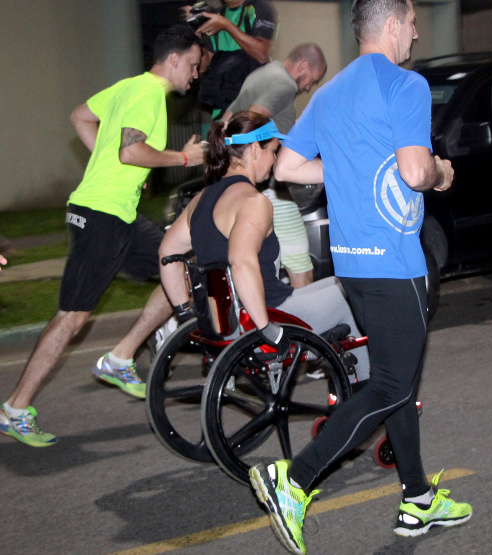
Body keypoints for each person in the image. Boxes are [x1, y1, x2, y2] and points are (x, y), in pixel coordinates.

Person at [249, 0, 472, 551]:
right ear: (393, 24)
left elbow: (287, 169)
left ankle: (418, 499)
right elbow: (417, 170)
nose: (417, 34)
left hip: (351, 264)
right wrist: (443, 172)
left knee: (397, 381)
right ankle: (294, 480)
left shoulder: (328, 93)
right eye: (414, 22)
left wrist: (348, 166)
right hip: (397, 264)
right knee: (394, 382)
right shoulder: (406, 86)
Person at [0, 26, 206, 447]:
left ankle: (120, 357)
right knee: (72, 317)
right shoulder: (150, 95)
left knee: (180, 269)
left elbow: (79, 116)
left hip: (119, 216)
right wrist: (183, 156)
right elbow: (131, 150)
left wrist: (114, 170)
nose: (195, 74)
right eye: (193, 64)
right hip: (100, 217)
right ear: (173, 59)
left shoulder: (127, 86)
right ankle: (15, 409)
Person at [158, 111, 370, 385]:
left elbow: (167, 253)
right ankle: (368, 392)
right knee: (354, 296)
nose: (274, 160)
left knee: (337, 284)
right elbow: (241, 261)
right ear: (255, 149)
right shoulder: (252, 201)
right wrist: (266, 328)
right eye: (273, 151)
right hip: (265, 316)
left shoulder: (201, 200)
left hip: (226, 321)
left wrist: (185, 313)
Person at [223, 43, 328, 288]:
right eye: (311, 80)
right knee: (300, 266)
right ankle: (303, 322)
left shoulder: (261, 74)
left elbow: (227, 119)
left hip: (240, 183)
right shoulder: (285, 83)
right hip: (271, 187)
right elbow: (252, 119)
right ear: (302, 66)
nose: (307, 87)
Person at [183, 0, 277, 120]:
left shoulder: (259, 7)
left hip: (252, 108)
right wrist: (197, 32)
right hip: (222, 107)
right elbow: (202, 67)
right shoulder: (217, 16)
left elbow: (262, 54)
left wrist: (226, 25)